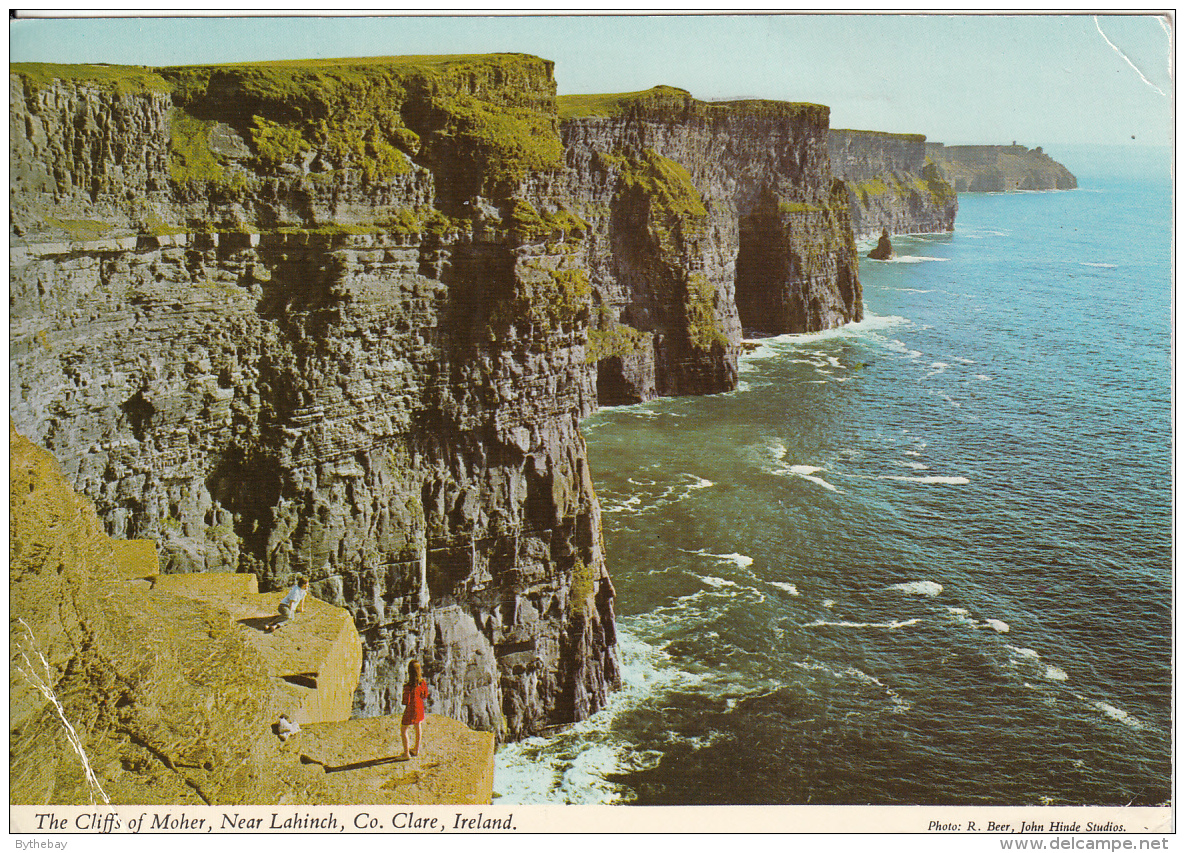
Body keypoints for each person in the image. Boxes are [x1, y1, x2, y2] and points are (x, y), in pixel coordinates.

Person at [399, 660, 429, 759]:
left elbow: (405, 701)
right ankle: (416, 749)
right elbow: (425, 695)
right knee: (418, 726)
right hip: (420, 707)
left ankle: (406, 753)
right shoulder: (422, 683)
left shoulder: (408, 687)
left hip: (411, 709)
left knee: (404, 730)